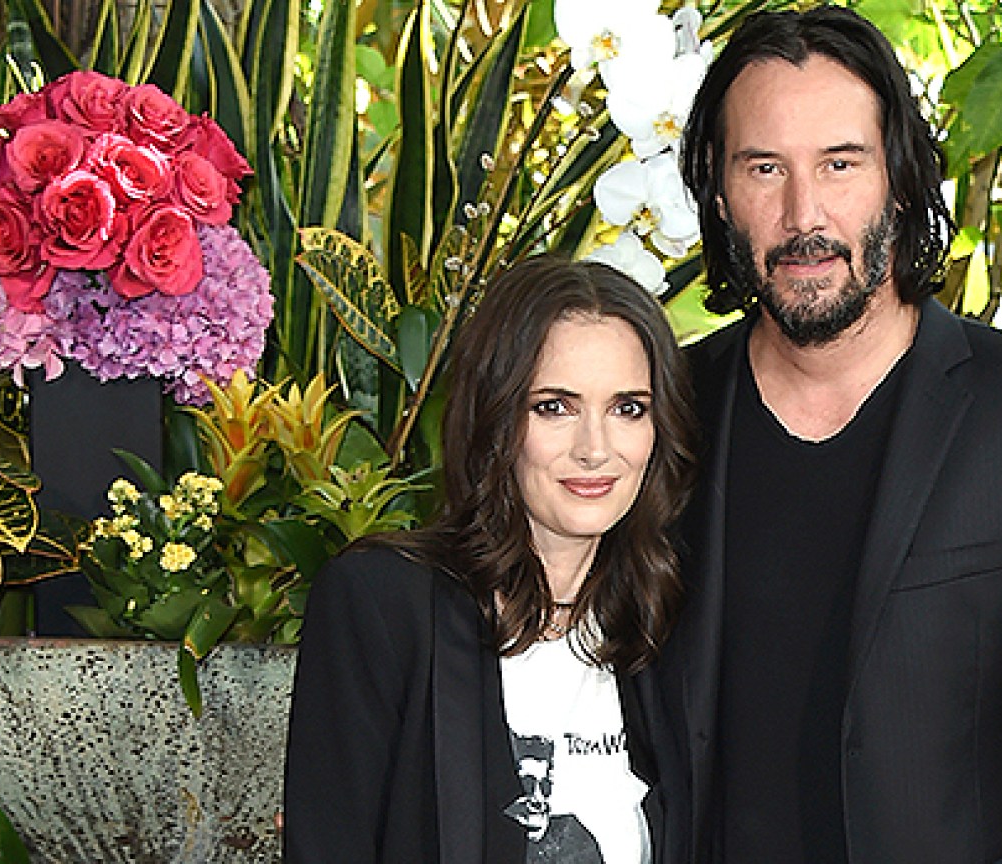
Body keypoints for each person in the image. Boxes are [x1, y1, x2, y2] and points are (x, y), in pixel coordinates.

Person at [665, 6, 1002, 862]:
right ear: (719, 194)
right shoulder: (663, 414)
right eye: (764, 167)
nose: (803, 213)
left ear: (898, 180)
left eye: (840, 163)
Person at [284, 256, 695, 863]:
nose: (595, 448)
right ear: (496, 418)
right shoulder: (381, 604)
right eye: (554, 406)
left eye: (627, 408)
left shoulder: (665, 618)